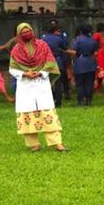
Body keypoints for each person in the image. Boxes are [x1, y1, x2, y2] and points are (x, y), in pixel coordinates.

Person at [9, 23, 68, 152]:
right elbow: (12, 69)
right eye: (23, 32)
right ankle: (34, 144)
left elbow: (50, 63)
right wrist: (25, 74)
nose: (26, 34)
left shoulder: (43, 45)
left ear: (32, 31)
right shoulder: (16, 50)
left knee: (47, 112)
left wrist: (40, 72)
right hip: (25, 85)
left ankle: (57, 143)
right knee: (27, 114)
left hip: (41, 83)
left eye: (28, 31)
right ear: (19, 34)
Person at [42, 25, 71, 107]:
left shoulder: (43, 39)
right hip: (57, 61)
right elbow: (65, 48)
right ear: (54, 31)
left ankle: (50, 99)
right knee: (58, 82)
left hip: (46, 61)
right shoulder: (58, 39)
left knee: (47, 82)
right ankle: (58, 102)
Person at [73, 24, 98, 107]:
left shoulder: (78, 39)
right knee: (89, 82)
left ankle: (80, 101)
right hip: (90, 62)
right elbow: (95, 52)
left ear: (81, 31)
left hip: (80, 62)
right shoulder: (93, 40)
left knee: (80, 83)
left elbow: (74, 51)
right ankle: (89, 100)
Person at [93, 22, 104, 93]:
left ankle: (99, 87)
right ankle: (97, 88)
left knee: (101, 72)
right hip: (99, 55)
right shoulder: (97, 35)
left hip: (102, 54)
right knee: (98, 71)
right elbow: (94, 43)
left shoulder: (101, 35)